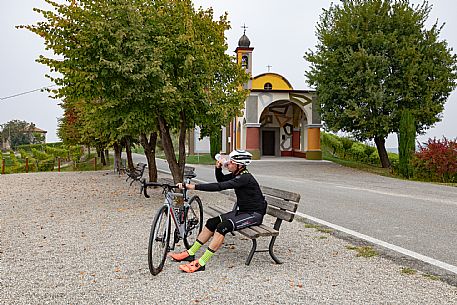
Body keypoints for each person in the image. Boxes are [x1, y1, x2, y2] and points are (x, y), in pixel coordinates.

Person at [170, 149, 267, 273]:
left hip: (253, 215)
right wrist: (218, 168)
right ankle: (191, 252)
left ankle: (202, 262)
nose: (228, 164)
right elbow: (221, 180)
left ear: (240, 165)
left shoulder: (245, 178)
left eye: (231, 162)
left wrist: (193, 186)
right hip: (242, 211)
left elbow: (219, 186)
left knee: (222, 227)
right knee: (212, 222)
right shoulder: (237, 174)